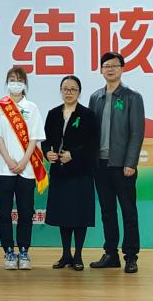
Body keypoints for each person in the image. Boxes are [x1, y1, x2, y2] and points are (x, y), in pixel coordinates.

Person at [88, 51, 144, 274]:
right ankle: (111, 254)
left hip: (123, 166)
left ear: (122, 68)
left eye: (114, 66)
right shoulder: (95, 97)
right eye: (106, 66)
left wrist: (131, 163)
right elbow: (90, 132)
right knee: (107, 212)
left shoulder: (132, 97)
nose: (110, 69)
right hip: (100, 165)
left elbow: (137, 133)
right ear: (101, 70)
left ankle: (130, 256)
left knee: (129, 212)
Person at [42, 75, 98, 271]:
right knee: (63, 214)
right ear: (61, 91)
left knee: (79, 215)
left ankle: (78, 255)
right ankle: (66, 254)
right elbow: (45, 140)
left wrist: (73, 155)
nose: (69, 92)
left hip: (81, 172)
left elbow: (92, 144)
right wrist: (47, 153)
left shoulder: (87, 115)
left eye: (73, 89)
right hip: (59, 172)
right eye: (65, 89)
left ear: (79, 92)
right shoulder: (53, 114)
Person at [0, 66, 46, 270]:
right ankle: (8, 251)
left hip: (27, 168)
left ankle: (24, 250)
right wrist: (8, 160)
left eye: (19, 79)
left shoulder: (31, 107)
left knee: (25, 211)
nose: (15, 83)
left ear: (25, 84)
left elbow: (34, 138)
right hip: (4, 168)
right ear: (7, 83)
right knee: (4, 211)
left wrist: (23, 162)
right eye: (12, 79)